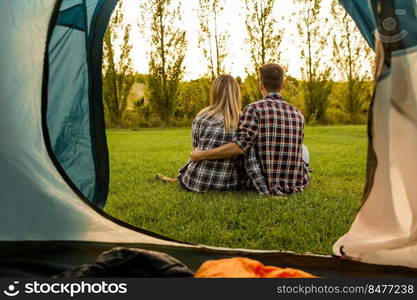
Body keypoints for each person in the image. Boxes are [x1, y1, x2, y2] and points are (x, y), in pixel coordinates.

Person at [190, 63, 311, 196]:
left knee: (255, 147)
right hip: (294, 182)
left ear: (260, 86)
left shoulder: (254, 109)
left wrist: (201, 154)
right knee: (303, 149)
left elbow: (240, 147)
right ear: (283, 86)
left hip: (259, 179)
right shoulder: (298, 113)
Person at [156, 75, 244, 192]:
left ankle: (178, 179)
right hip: (228, 184)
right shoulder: (243, 119)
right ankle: (177, 179)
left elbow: (196, 150)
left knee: (194, 159)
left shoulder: (203, 115)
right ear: (236, 93)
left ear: (215, 92)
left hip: (197, 182)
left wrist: (202, 154)